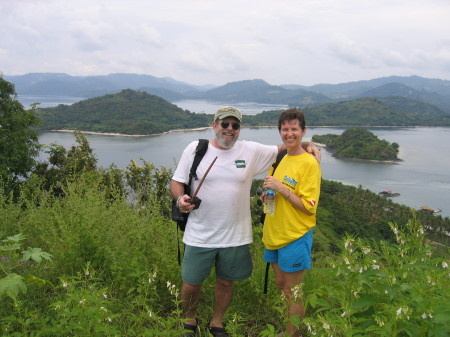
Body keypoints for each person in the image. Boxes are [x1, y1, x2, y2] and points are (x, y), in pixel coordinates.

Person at [170, 106, 320, 337]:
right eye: (225, 124)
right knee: (190, 284)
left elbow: (288, 147)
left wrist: (308, 144)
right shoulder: (196, 148)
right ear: (215, 125)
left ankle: (217, 323)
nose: (229, 129)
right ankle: (189, 319)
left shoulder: (250, 150)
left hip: (236, 235)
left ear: (240, 128)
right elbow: (177, 182)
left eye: (235, 125)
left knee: (227, 283)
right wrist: (180, 199)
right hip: (200, 232)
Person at [261, 108, 321, 337]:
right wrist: (266, 193)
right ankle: (289, 330)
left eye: (294, 129)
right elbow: (271, 188)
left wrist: (282, 189)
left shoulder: (309, 164)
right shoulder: (280, 158)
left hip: (295, 234)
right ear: (280, 132)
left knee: (293, 290)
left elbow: (308, 206)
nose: (289, 133)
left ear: (303, 131)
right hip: (274, 233)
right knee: (280, 285)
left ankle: (291, 334)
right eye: (285, 129)